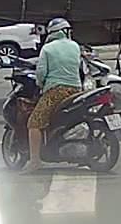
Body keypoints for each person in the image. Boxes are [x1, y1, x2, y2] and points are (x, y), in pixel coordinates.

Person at [24, 17, 83, 173]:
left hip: (56, 91)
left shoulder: (47, 49)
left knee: (34, 123)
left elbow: (41, 72)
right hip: (76, 89)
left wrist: (40, 84)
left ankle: (35, 161)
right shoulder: (75, 46)